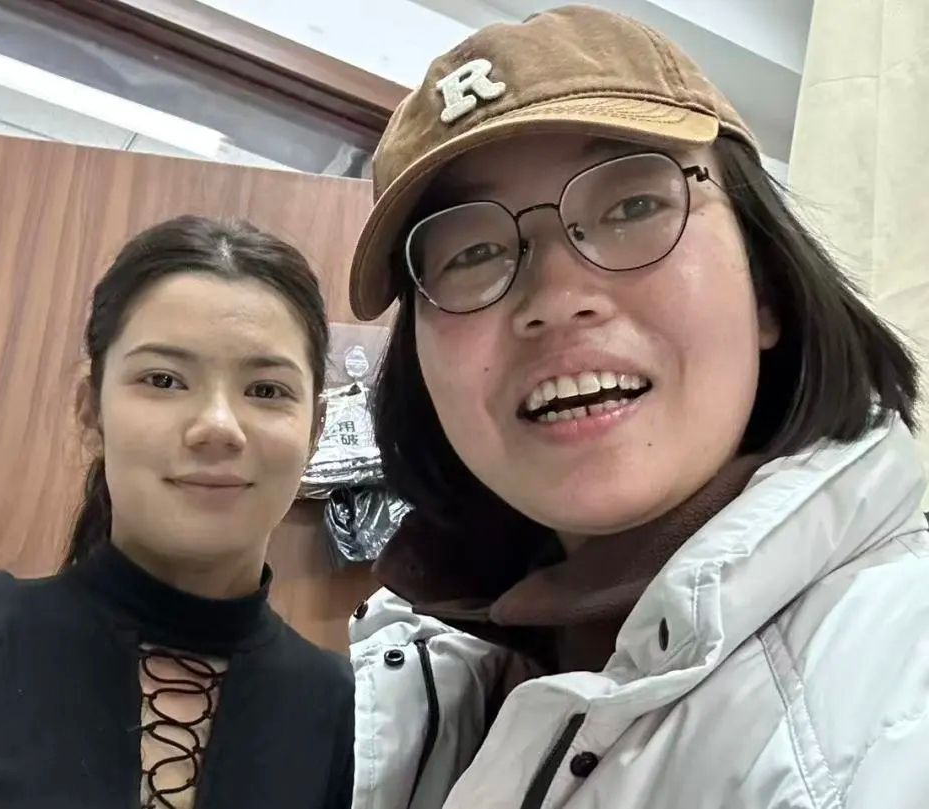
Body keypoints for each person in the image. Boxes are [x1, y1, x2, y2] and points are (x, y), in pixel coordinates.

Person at [347, 6, 929, 809]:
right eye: (472, 252)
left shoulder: (900, 680)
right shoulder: (420, 689)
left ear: (766, 285)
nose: (555, 299)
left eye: (631, 208)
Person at [0, 216, 354, 809]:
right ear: (91, 412)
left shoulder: (348, 717)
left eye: (266, 390)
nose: (218, 426)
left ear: (315, 430)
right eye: (164, 380)